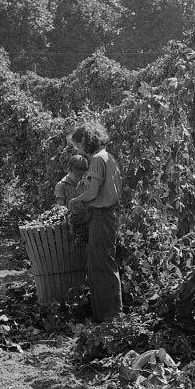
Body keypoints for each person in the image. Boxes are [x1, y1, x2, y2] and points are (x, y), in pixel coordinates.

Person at [67, 120, 122, 322]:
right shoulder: (109, 156)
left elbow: (92, 192)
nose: (80, 151)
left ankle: (109, 316)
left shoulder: (98, 159)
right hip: (108, 215)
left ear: (87, 141)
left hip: (101, 216)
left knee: (101, 264)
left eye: (80, 146)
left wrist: (76, 200)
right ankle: (110, 314)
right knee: (104, 262)